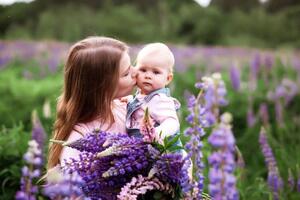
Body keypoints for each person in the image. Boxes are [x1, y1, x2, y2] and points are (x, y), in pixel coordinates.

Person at [47, 36, 136, 169]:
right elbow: (76, 187)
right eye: (126, 73)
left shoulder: (125, 107)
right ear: (103, 87)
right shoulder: (79, 140)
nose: (137, 72)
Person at [126, 43, 180, 143]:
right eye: (143, 70)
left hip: (161, 152)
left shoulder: (160, 99)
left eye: (156, 72)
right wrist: (130, 100)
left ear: (168, 79)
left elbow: (172, 123)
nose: (148, 76)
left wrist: (156, 133)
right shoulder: (142, 94)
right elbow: (140, 104)